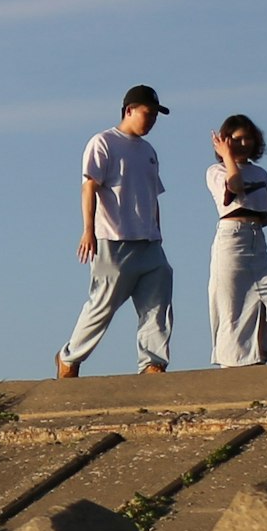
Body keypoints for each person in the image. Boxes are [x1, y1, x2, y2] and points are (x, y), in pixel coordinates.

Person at [57, 85, 172, 378]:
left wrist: (157, 231)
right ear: (129, 110)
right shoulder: (103, 142)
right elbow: (89, 187)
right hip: (113, 239)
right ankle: (69, 358)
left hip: (149, 242)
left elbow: (152, 195)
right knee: (101, 306)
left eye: (155, 116)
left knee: (156, 304)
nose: (151, 121)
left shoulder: (149, 151)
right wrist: (88, 230)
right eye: (147, 113)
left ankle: (152, 363)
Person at [207, 112, 267, 367]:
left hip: (257, 241)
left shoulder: (260, 173)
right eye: (237, 139)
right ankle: (234, 368)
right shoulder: (216, 170)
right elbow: (235, 188)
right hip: (232, 240)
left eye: (248, 139)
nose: (244, 144)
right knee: (232, 311)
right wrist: (228, 157)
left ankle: (253, 359)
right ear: (225, 141)